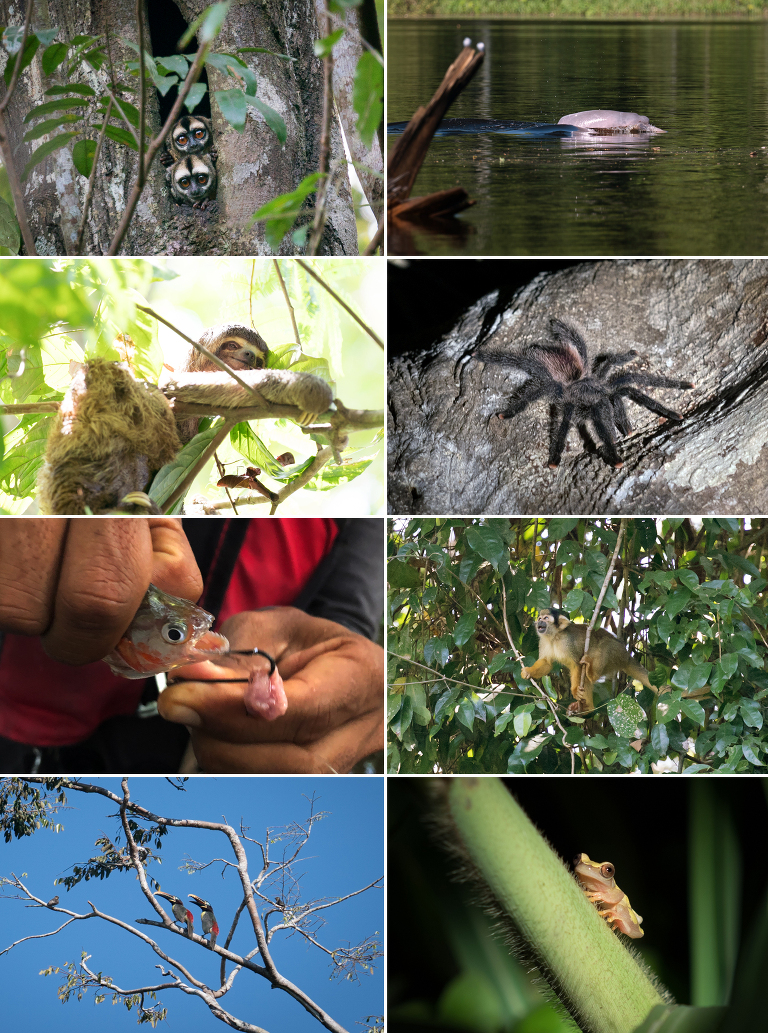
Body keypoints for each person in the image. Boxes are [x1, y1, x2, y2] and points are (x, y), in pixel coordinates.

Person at [0, 518, 384, 774]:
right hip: (19, 713)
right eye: (174, 636)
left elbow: (345, 619)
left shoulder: (356, 523)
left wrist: (339, 672)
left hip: (177, 748)